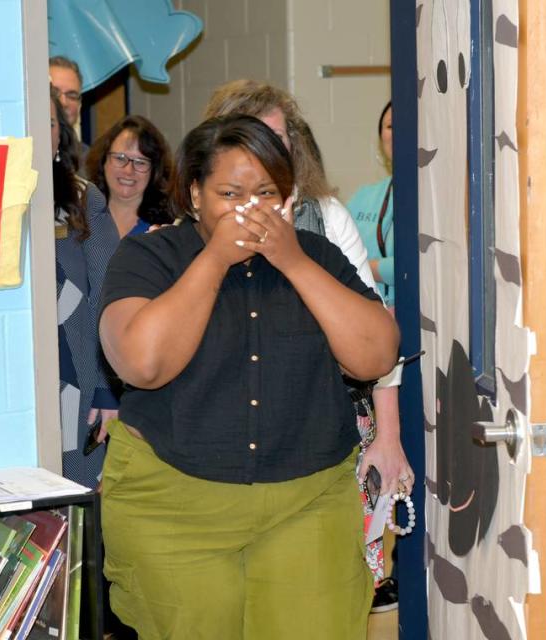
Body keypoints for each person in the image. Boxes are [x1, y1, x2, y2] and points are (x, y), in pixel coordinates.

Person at [98, 114, 400, 639]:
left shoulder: (318, 257)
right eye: (230, 193)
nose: (249, 209)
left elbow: (375, 356)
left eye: (265, 193)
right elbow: (141, 364)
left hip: (307, 501)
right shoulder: (151, 255)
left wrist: (295, 262)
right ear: (195, 194)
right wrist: (214, 260)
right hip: (173, 502)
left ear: (287, 200)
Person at [203, 80, 413, 601]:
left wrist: (388, 438)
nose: (273, 153)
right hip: (230, 447)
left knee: (323, 589)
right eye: (258, 137)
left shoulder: (326, 216)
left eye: (283, 138)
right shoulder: (198, 227)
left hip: (325, 429)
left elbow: (375, 333)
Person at [346, 100, 401, 611]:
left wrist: (375, 268)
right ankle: (378, 571)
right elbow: (345, 266)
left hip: (409, 343)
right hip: (367, 350)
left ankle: (399, 565)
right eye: (387, 125)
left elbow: (416, 262)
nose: (394, 134)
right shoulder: (364, 196)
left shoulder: (427, 191)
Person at [49, 86, 119, 488]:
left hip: (78, 382)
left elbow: (109, 296)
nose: (41, 131)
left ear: (62, 134)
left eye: (50, 123)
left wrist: (109, 389)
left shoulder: (82, 197)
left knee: (76, 501)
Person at [85, 115, 174, 237]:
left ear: (155, 170)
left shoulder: (167, 231)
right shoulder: (78, 220)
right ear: (103, 160)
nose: (128, 170)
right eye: (120, 158)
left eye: (140, 162)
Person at [348, 101, 395, 308]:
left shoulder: (438, 203)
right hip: (368, 314)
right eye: (391, 126)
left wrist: (367, 268)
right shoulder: (362, 197)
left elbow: (426, 265)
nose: (398, 131)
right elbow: (335, 256)